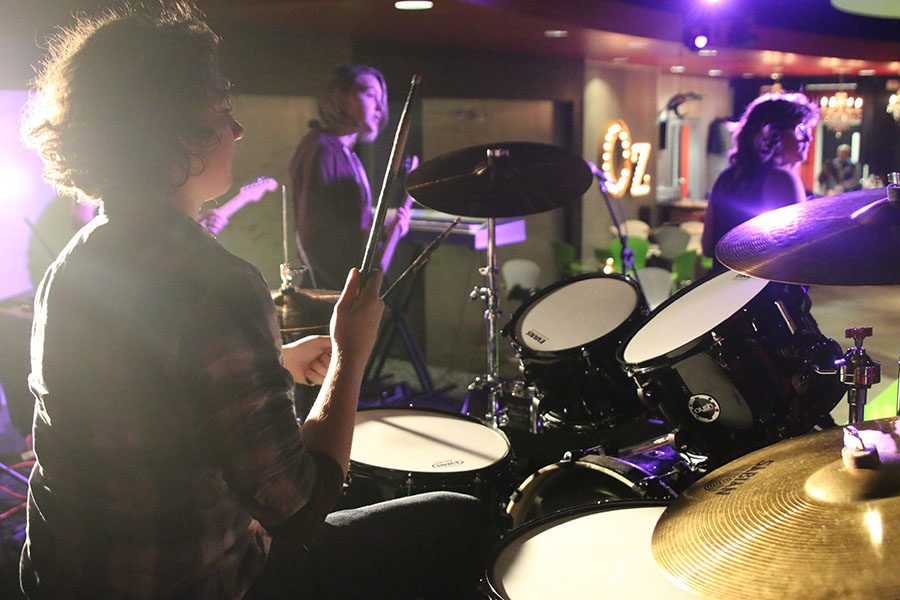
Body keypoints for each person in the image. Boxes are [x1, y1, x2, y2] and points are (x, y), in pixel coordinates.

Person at [18, 3, 496, 598]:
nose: (237, 129)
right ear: (171, 131)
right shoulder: (215, 284)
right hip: (201, 582)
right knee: (463, 519)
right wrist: (351, 351)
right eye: (221, 109)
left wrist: (275, 364)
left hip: (63, 576)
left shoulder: (76, 263)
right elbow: (298, 510)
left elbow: (142, 405)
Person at [290, 64, 413, 291]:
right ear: (339, 97)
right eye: (369, 94)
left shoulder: (342, 152)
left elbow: (347, 220)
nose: (379, 107)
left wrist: (385, 224)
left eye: (381, 98)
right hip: (333, 291)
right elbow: (318, 234)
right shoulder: (323, 150)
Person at [702, 92, 819, 272]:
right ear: (772, 133)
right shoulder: (782, 180)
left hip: (725, 291)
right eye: (800, 129)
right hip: (766, 294)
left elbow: (708, 247)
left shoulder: (726, 177)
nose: (808, 138)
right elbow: (799, 253)